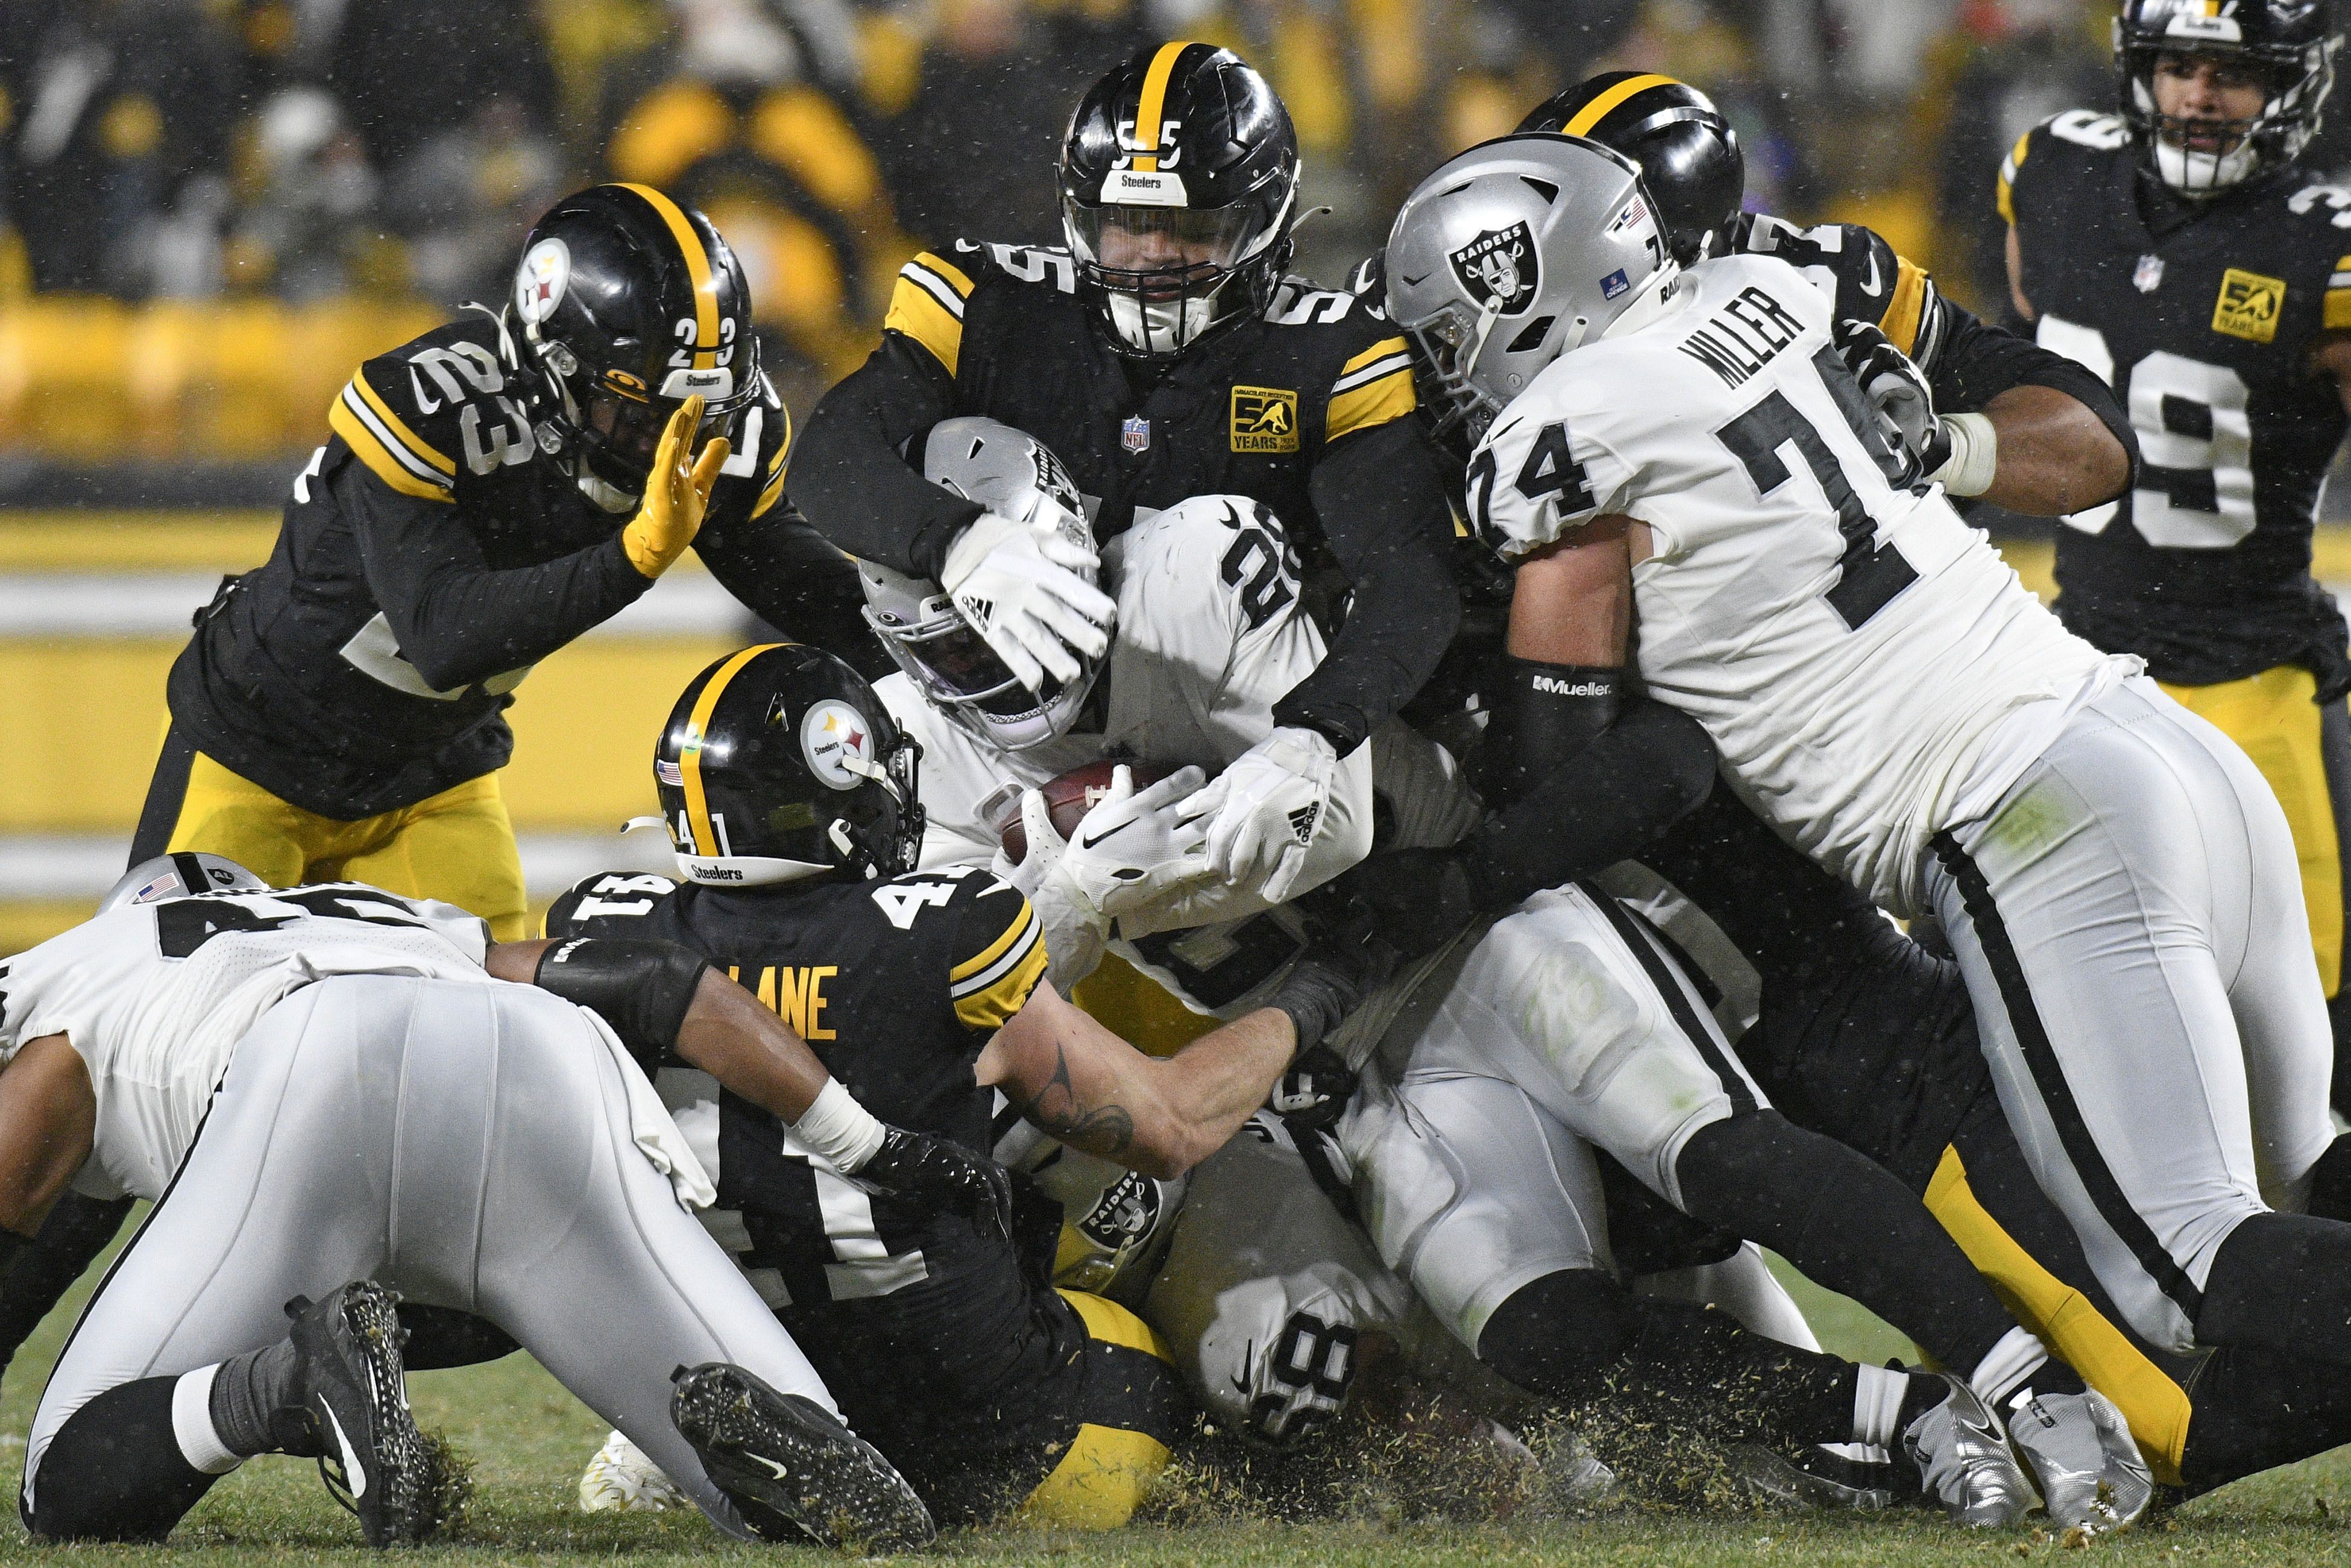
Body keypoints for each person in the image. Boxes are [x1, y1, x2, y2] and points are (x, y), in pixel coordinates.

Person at [854, 418, 2149, 1527]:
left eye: (1021, 629)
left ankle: (2033, 1383)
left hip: (1471, 927)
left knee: (1712, 1151)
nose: (1004, 678)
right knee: (1546, 1336)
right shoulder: (927, 759)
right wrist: (1070, 896)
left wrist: (1162, 855)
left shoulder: (1191, 569)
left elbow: (1346, 803)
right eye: (959, 657)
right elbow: (976, 989)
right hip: (1346, 1058)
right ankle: (1914, 1417)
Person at [1385, 130, 2351, 1396]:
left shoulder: (1562, 435)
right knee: (2305, 1164)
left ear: (1523, 295)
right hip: (2159, 742)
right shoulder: (1756, 292)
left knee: (2183, 1271)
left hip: (2027, 812)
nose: (1450, 373)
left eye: (1452, 335)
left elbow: (1551, 757)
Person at [549, 641, 1376, 1529]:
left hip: (758, 1370)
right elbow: (1171, 1123)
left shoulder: (602, 928)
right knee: (1161, 1332)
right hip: (981, 1439)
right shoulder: (943, 931)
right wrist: (1324, 989)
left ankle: (666, 1445)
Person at [0, 854, 993, 1547]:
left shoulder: (89, 967)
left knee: (67, 1483)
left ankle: (285, 1387)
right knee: (788, 1502)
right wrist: (863, 1141)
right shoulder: (373, 912)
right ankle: (758, 1416)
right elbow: (666, 986)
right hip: (539, 1059)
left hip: (311, 1072)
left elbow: (20, 1173)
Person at [792, 42, 1462, 895]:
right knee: (814, 757)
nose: (1151, 255)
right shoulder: (995, 309)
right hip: (1017, 707)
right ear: (1080, 214)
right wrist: (957, 541)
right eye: (1127, 223)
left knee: (1210, 549)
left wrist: (1320, 730)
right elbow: (831, 456)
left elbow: (1413, 578)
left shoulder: (1327, 353)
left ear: (1266, 224)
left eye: (1189, 228)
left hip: (1243, 730)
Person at [130, 183, 867, 943]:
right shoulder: (429, 401)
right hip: (256, 751)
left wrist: (943, 652)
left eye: (699, 410)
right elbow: (443, 638)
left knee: (492, 1034)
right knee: (160, 1009)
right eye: (640, 411)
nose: (670, 438)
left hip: (431, 776)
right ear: (551, 365)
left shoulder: (704, 420)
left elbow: (812, 597)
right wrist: (634, 556)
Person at [2000, 0, 2351, 1109]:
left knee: (2316, 1032)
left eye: (2234, 74)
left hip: (2256, 683)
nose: (2200, 96)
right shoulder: (2053, 171)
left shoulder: (2322, 244)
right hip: (2087, 676)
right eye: (2179, 67)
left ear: (2291, 85)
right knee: (2074, 1021)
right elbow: (2030, 325)